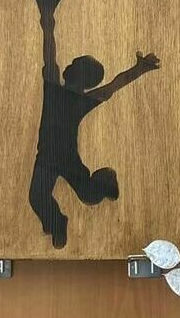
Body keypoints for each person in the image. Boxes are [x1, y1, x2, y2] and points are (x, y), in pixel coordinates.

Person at [29, 52, 161, 248]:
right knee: (37, 196)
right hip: (47, 156)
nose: (69, 65)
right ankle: (57, 223)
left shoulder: (74, 95)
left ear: (81, 76)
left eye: (74, 64)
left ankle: (106, 180)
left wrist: (140, 68)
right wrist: (48, 29)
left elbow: (115, 85)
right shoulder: (53, 86)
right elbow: (50, 53)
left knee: (88, 196)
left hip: (66, 157)